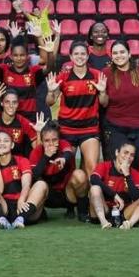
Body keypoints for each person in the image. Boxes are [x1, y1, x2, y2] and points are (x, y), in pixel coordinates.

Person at [45, 41, 106, 176]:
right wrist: (50, 92)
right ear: (71, 57)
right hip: (67, 129)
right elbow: (50, 102)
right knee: (66, 169)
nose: (80, 57)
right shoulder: (63, 77)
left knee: (92, 167)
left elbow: (104, 102)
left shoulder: (97, 75)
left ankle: (92, 196)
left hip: (89, 129)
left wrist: (102, 92)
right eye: (76, 54)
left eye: (83, 54)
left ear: (88, 56)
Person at [101, 40, 139, 162]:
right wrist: (102, 92)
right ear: (111, 56)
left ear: (129, 54)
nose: (119, 55)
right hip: (116, 127)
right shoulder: (106, 73)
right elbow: (103, 103)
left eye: (122, 52)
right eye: (115, 53)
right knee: (119, 164)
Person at [28, 123, 90, 221]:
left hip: (67, 194)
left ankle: (82, 212)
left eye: (54, 140)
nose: (51, 143)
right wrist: (46, 157)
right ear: (42, 142)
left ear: (59, 139)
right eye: (47, 141)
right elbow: (34, 175)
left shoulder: (64, 144)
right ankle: (40, 211)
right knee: (32, 181)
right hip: (48, 196)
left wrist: (64, 159)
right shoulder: (36, 152)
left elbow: (68, 153)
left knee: (80, 175)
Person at [87, 142, 139, 230]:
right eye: (125, 152)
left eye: (132, 155)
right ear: (117, 152)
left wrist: (127, 175)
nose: (128, 157)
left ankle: (129, 224)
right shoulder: (104, 166)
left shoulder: (135, 174)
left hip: (124, 214)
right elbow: (93, 179)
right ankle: (103, 222)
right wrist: (114, 195)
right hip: (104, 210)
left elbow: (136, 197)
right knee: (94, 188)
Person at [0, 131, 36, 230]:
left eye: (6, 141)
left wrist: (21, 200)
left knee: (41, 185)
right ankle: (1, 219)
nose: (2, 143)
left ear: (12, 145)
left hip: (22, 206)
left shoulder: (22, 161)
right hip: (3, 207)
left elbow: (26, 184)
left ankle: (20, 219)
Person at [0, 90, 40, 158]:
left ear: (18, 104)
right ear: (2, 103)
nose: (11, 106)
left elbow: (37, 149)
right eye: (7, 102)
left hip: (17, 164)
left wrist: (39, 132)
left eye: (14, 102)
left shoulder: (23, 122)